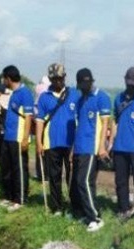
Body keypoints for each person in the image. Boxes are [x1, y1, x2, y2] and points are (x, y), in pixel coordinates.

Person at [35, 63, 79, 215]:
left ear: (65, 77)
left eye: (60, 78)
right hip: (51, 142)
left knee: (72, 176)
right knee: (54, 176)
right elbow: (39, 121)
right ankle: (56, 207)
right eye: (54, 79)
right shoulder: (44, 97)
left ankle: (75, 205)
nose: (57, 82)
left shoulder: (75, 94)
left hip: (71, 143)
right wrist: (39, 142)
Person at [71, 68, 111, 232]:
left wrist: (102, 146)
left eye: (89, 82)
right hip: (80, 147)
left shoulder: (102, 97)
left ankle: (95, 217)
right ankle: (87, 214)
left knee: (84, 181)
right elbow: (78, 126)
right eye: (83, 83)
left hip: (91, 147)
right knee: (83, 182)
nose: (86, 86)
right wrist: (73, 149)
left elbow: (105, 124)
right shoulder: (81, 100)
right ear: (79, 84)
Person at [109, 66, 134, 218]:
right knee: (121, 181)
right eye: (129, 83)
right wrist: (111, 142)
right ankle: (123, 208)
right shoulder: (119, 98)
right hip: (120, 147)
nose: (131, 86)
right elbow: (115, 121)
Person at [0, 65, 34, 212]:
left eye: (3, 78)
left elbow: (28, 117)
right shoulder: (14, 92)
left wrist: (25, 138)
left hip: (19, 138)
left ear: (8, 78)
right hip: (8, 136)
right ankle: (10, 197)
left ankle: (20, 199)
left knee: (19, 168)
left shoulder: (25, 93)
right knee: (8, 168)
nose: (2, 80)